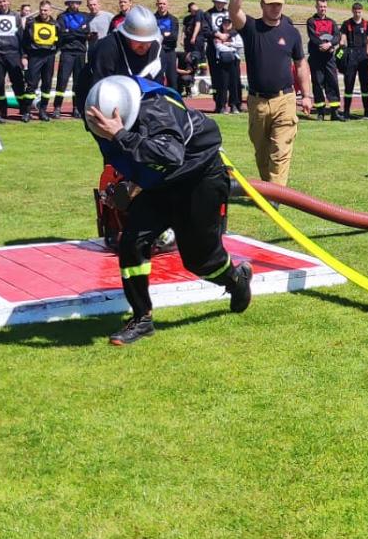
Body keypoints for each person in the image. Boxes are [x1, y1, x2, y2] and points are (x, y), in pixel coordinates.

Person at [81, 75, 255, 346]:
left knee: (199, 261)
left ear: (122, 114)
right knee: (132, 241)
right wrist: (130, 184)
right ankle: (142, 318)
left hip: (199, 177)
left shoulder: (157, 109)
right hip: (162, 182)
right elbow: (136, 157)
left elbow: (169, 155)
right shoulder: (104, 114)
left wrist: (121, 135)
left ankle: (236, 278)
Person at [228, 0, 313, 186]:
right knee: (262, 153)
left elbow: (301, 64)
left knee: (281, 150)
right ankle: (270, 190)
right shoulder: (251, 28)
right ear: (263, 5)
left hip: (284, 99)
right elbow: (233, 11)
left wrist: (307, 95)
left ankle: (277, 195)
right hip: (258, 101)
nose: (276, 8)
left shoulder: (291, 32)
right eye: (271, 4)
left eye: (279, 5)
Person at [72, 6, 165, 116]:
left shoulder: (157, 52)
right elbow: (100, 89)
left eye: (147, 41)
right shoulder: (107, 48)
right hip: (101, 101)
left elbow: (156, 90)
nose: (143, 46)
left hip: (139, 105)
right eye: (138, 41)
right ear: (127, 36)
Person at [54, 0, 92, 117]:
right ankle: (57, 107)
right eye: (72, 2)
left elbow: (86, 33)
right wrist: (78, 32)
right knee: (62, 80)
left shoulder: (84, 16)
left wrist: (71, 32)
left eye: (76, 2)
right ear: (68, 3)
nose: (74, 5)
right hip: (67, 52)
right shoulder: (62, 17)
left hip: (80, 52)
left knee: (78, 82)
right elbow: (62, 34)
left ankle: (76, 107)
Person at [304, 0, 342, 121]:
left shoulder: (332, 22)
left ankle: (334, 112)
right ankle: (320, 112)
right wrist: (322, 45)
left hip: (329, 58)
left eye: (324, 6)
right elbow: (313, 36)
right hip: (316, 57)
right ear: (316, 7)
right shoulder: (311, 21)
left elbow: (337, 36)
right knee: (318, 84)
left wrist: (330, 44)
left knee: (333, 83)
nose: (323, 9)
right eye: (320, 6)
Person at [21, 0, 60, 120]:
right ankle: (27, 112)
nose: (43, 12)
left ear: (50, 10)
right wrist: (25, 56)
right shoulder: (31, 23)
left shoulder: (56, 24)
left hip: (49, 57)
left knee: (47, 85)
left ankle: (43, 111)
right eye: (42, 10)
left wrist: (53, 52)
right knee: (31, 85)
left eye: (46, 10)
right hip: (35, 56)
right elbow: (25, 41)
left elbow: (59, 41)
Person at [203, 0, 239, 113]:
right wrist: (218, 35)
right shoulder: (207, 14)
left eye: (222, 2)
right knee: (217, 79)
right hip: (214, 50)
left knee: (234, 79)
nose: (220, 4)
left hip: (231, 49)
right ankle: (219, 104)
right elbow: (205, 30)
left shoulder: (229, 13)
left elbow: (237, 27)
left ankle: (234, 104)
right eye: (217, 2)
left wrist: (227, 35)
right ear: (214, 2)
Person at [340, 2, 368, 119]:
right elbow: (342, 40)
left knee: (364, 85)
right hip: (351, 55)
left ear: (362, 11)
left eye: (359, 11)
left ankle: (367, 110)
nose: (357, 13)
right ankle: (346, 110)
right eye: (355, 11)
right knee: (349, 84)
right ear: (352, 11)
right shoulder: (346, 24)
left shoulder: (366, 24)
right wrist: (342, 52)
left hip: (363, 56)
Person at [151, 0, 180, 92]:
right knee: (157, 78)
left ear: (168, 5)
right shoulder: (151, 19)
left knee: (172, 79)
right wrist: (165, 34)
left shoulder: (173, 19)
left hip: (169, 52)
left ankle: (174, 103)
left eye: (164, 4)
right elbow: (151, 36)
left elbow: (174, 37)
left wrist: (160, 34)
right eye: (160, 3)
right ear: (156, 4)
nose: (161, 6)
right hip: (155, 53)